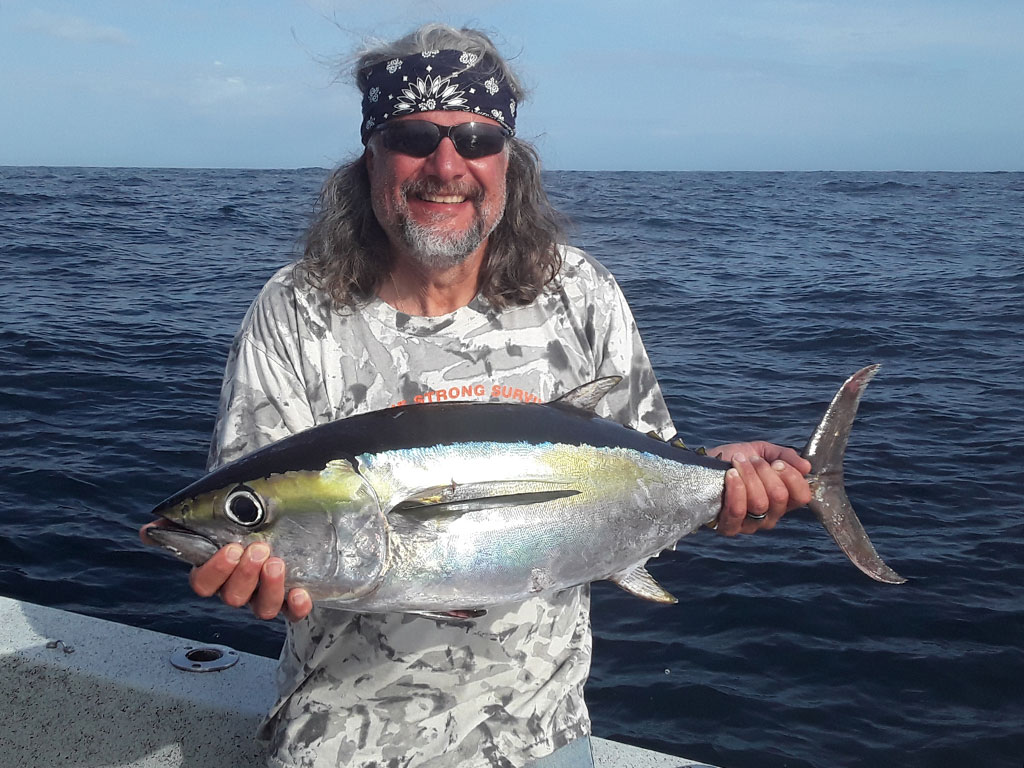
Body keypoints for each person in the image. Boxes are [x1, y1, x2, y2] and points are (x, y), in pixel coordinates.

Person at [142, 23, 811, 768]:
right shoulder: (296, 310)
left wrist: (720, 485)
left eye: (476, 139)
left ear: (509, 162)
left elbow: (646, 469)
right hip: (343, 744)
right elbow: (257, 504)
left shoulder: (579, 292)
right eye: (414, 135)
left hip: (542, 738)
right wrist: (250, 563)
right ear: (370, 156)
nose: (446, 164)